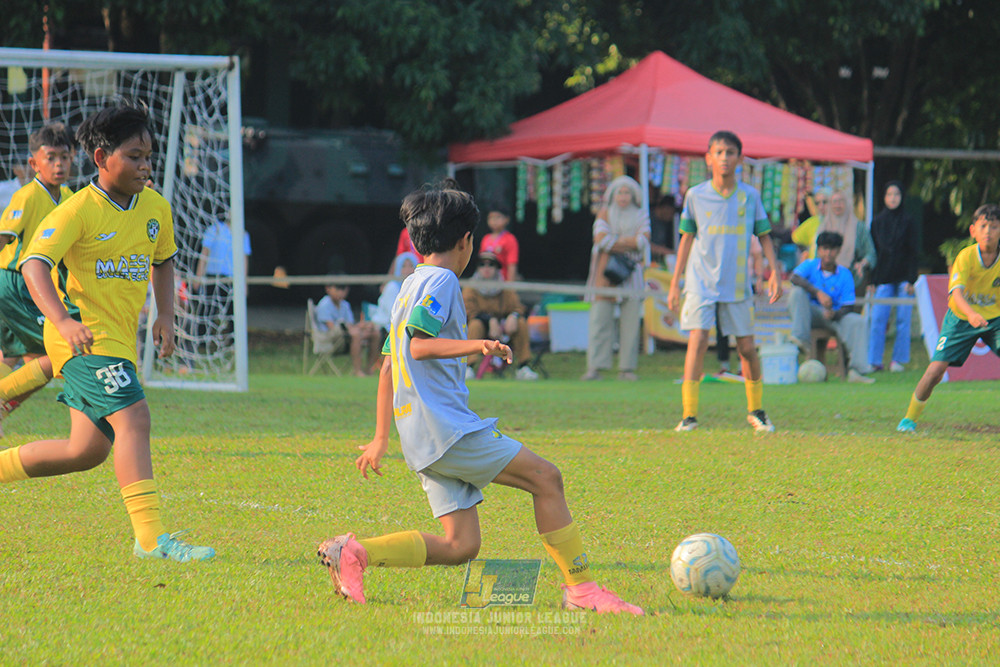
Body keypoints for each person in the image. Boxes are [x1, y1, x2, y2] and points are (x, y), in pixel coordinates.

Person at [317, 181, 643, 615]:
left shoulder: (407, 287)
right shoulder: (444, 282)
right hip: (446, 431)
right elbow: (416, 346)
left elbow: (390, 365)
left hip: (421, 435)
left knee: (461, 545)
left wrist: (381, 437)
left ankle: (354, 553)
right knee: (547, 479)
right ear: (466, 241)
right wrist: (479, 345)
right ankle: (582, 590)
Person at [0, 101, 214, 561]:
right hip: (84, 340)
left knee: (86, 450)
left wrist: (165, 315)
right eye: (135, 156)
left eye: (149, 156)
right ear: (101, 159)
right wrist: (62, 321)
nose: (145, 165)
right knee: (134, 419)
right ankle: (152, 541)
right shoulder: (77, 210)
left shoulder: (155, 206)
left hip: (119, 341)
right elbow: (34, 265)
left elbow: (163, 259)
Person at [667, 130, 782, 432]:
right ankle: (689, 415)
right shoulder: (695, 195)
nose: (724, 158)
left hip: (737, 283)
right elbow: (686, 240)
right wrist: (674, 283)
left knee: (746, 347)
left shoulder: (750, 196)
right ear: (708, 158)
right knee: (698, 340)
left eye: (730, 152)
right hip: (700, 282)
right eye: (718, 152)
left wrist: (775, 275)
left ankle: (756, 411)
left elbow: (765, 237)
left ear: (740, 158)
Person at [897, 204, 1000, 433]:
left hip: (994, 319)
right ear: (973, 231)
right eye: (983, 226)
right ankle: (908, 420)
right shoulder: (965, 257)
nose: (988, 232)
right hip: (961, 317)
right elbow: (956, 293)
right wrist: (972, 314)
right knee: (935, 370)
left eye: (993, 226)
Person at [0, 123, 75, 433]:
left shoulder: (71, 197)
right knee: (54, 353)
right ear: (34, 163)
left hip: (33, 289)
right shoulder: (28, 196)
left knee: (18, 357)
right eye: (50, 158)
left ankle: (3, 408)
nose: (58, 165)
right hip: (14, 285)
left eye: (65, 157)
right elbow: (3, 237)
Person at [581, 175, 650, 381]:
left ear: (634, 195)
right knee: (599, 321)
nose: (623, 196)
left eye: (627, 192)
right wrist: (628, 242)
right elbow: (601, 240)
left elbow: (643, 242)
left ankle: (627, 369)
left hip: (632, 276)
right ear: (612, 194)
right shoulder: (605, 213)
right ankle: (595, 367)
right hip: (605, 275)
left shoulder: (641, 215)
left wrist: (616, 242)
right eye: (619, 192)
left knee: (630, 323)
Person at [788, 232, 876, 384]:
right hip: (809, 313)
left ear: (838, 250)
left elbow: (849, 305)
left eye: (832, 249)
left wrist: (835, 314)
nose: (828, 253)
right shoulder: (810, 265)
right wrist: (817, 293)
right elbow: (793, 278)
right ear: (819, 250)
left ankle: (857, 371)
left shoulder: (845, 274)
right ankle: (800, 338)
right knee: (797, 292)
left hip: (833, 316)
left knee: (858, 321)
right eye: (824, 248)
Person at [462, 250, 538, 380]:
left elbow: (518, 307)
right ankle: (469, 367)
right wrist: (489, 320)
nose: (486, 268)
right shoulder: (471, 288)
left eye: (491, 265)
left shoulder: (505, 288)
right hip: (481, 329)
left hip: (503, 329)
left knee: (520, 323)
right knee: (475, 325)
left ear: (497, 268)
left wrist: (513, 316)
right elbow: (468, 311)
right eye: (482, 264)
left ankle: (523, 367)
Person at [868, 181, 919, 372]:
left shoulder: (909, 221)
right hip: (883, 279)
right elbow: (874, 254)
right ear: (884, 198)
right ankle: (874, 361)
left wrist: (911, 280)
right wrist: (872, 281)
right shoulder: (877, 222)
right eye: (889, 194)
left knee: (903, 320)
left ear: (902, 196)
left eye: (896, 194)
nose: (893, 198)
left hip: (904, 279)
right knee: (878, 319)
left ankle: (898, 360)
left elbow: (914, 252)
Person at [193, 213, 251, 342]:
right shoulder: (214, 230)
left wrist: (244, 283)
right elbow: (204, 254)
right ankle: (202, 340)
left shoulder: (243, 234)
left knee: (233, 312)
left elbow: (244, 259)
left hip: (232, 280)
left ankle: (234, 342)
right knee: (207, 310)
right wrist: (198, 276)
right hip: (213, 278)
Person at [315, 281, 381, 377]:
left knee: (375, 333)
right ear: (328, 289)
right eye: (337, 289)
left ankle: (369, 369)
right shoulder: (324, 304)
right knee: (356, 334)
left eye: (343, 289)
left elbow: (350, 325)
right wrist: (356, 328)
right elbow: (332, 327)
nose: (340, 292)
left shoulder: (345, 305)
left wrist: (363, 326)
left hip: (346, 337)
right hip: (330, 340)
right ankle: (357, 370)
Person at [818, 189, 876, 292]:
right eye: (834, 202)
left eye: (841, 201)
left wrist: (862, 264)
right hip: (827, 281)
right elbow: (817, 255)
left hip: (854, 280)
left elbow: (871, 253)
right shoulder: (823, 227)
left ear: (848, 203)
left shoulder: (859, 227)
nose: (838, 205)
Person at [368, 251, 418, 339]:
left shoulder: (416, 287)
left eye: (411, 266)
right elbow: (392, 314)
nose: (407, 270)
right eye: (403, 266)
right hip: (385, 324)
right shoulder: (392, 286)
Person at [478, 206, 519, 281]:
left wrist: (510, 286)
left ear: (507, 219)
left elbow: (512, 264)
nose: (494, 220)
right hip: (484, 280)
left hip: (502, 281)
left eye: (498, 217)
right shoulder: (486, 238)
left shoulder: (510, 239)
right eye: (491, 217)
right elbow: (481, 262)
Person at [791, 187, 830, 262]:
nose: (821, 206)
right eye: (817, 203)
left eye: (825, 202)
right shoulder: (813, 221)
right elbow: (795, 238)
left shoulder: (841, 222)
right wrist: (805, 251)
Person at [649, 192, 678, 259]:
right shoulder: (649, 219)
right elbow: (645, 244)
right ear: (665, 208)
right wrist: (666, 251)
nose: (671, 216)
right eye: (671, 212)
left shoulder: (665, 223)